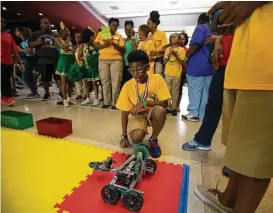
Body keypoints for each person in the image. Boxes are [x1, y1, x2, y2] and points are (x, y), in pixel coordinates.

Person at [194, 2, 273, 213]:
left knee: (256, 155)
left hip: (267, 65)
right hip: (243, 65)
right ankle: (228, 199)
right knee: (241, 149)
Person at [182, 9, 234, 151]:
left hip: (226, 68)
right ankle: (204, 138)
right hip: (216, 67)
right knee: (212, 101)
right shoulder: (225, 33)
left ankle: (193, 114)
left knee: (224, 106)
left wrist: (186, 58)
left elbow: (195, 45)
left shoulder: (203, 28)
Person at [116, 50, 171, 158]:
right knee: (136, 138)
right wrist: (124, 136)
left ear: (147, 68)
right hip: (137, 115)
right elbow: (124, 112)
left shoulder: (157, 79)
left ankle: (153, 139)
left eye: (139, 70)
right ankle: (140, 129)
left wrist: (144, 103)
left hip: (152, 113)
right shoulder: (127, 85)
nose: (135, 74)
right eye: (132, 70)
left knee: (160, 111)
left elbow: (165, 103)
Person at [182, 13, 213, 122]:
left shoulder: (200, 28)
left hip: (197, 66)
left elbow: (196, 44)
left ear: (199, 20)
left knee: (194, 90)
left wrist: (187, 56)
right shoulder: (212, 30)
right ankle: (202, 114)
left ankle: (193, 113)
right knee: (205, 92)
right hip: (209, 66)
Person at [94, 18, 124, 109]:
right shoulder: (102, 33)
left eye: (116, 26)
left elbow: (123, 49)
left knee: (116, 82)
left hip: (116, 60)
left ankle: (115, 103)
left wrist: (113, 43)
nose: (115, 27)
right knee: (105, 81)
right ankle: (106, 102)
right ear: (109, 25)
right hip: (103, 60)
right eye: (113, 25)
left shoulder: (119, 36)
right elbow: (96, 45)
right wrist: (106, 44)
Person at [28, 18, 61, 101]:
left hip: (56, 59)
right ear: (41, 25)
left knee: (58, 77)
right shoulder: (35, 34)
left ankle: (61, 92)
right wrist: (38, 43)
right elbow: (30, 45)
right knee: (45, 78)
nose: (48, 25)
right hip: (43, 59)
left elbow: (61, 44)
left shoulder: (55, 34)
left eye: (49, 23)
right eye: (45, 23)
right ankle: (47, 93)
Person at [1, 17, 24, 105]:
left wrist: (20, 62)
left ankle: (6, 96)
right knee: (4, 79)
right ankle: (7, 96)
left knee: (7, 79)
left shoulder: (8, 36)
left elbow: (14, 50)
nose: (1, 24)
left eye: (3, 22)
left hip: (8, 62)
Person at [164, 33, 185, 116]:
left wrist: (176, 55)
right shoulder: (167, 49)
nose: (173, 38)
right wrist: (169, 54)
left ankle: (174, 108)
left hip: (177, 73)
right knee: (167, 91)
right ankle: (168, 107)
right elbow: (164, 62)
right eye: (171, 37)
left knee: (175, 91)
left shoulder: (181, 50)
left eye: (175, 37)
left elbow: (182, 62)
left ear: (179, 39)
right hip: (168, 73)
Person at [55, 25, 76, 107]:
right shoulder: (57, 39)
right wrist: (67, 41)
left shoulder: (70, 41)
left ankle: (69, 98)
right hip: (63, 61)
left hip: (70, 61)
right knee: (64, 82)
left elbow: (73, 51)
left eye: (69, 31)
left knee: (70, 82)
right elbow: (65, 49)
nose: (69, 33)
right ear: (62, 32)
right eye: (67, 31)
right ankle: (64, 99)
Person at [78, 28, 100, 106]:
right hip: (85, 66)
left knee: (95, 83)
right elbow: (79, 57)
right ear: (88, 37)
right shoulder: (82, 45)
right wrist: (86, 58)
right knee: (86, 83)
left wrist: (94, 57)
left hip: (93, 66)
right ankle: (88, 98)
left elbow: (98, 54)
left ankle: (97, 99)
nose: (93, 38)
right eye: (92, 36)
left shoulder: (94, 45)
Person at [17, 27, 40, 99]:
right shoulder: (24, 42)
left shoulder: (26, 42)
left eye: (17, 31)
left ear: (20, 32)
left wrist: (20, 49)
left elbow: (29, 52)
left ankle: (35, 93)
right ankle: (34, 92)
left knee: (25, 78)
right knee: (30, 78)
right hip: (28, 60)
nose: (16, 33)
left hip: (29, 60)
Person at [147, 11, 167, 75]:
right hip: (150, 59)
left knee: (157, 75)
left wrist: (156, 52)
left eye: (148, 24)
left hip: (159, 59)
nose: (147, 26)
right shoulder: (148, 35)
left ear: (154, 24)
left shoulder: (161, 33)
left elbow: (165, 49)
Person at [121, 20, 138, 88]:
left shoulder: (135, 39)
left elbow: (135, 51)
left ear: (132, 29)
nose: (127, 31)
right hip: (123, 65)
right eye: (126, 29)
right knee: (125, 85)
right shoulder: (124, 40)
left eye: (129, 29)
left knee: (133, 84)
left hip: (131, 65)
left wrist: (133, 37)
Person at [177, 32, 189, 111]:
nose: (181, 40)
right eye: (179, 38)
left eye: (183, 39)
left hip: (182, 72)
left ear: (186, 40)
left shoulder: (187, 50)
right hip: (171, 73)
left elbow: (185, 62)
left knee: (179, 89)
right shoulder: (172, 48)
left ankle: (177, 106)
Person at [73, 32, 86, 100]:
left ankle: (85, 94)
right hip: (76, 64)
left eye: (79, 37)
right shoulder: (74, 46)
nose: (77, 38)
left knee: (83, 80)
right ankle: (79, 94)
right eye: (76, 37)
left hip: (83, 63)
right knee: (77, 80)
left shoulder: (83, 45)